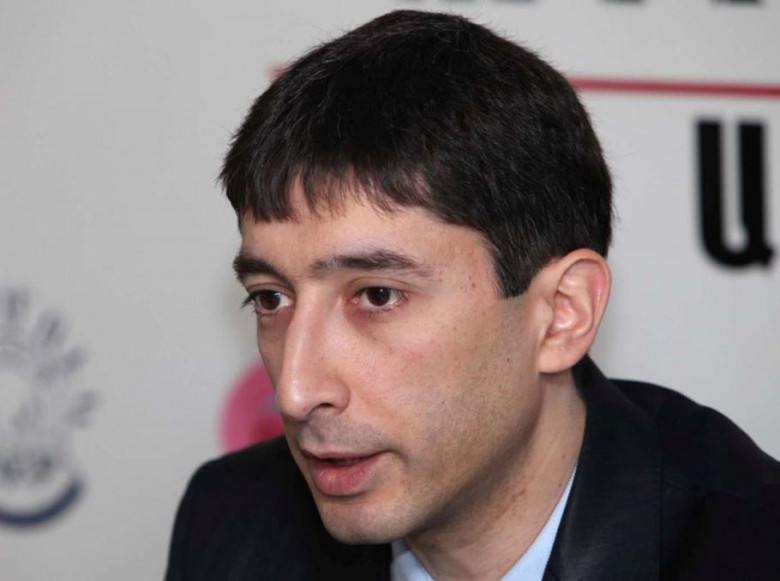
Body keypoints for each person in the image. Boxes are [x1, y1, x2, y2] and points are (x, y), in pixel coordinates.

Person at [165, 10, 780, 581]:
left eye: (376, 295)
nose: (296, 393)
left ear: (561, 314)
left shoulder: (750, 546)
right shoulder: (234, 522)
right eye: (271, 299)